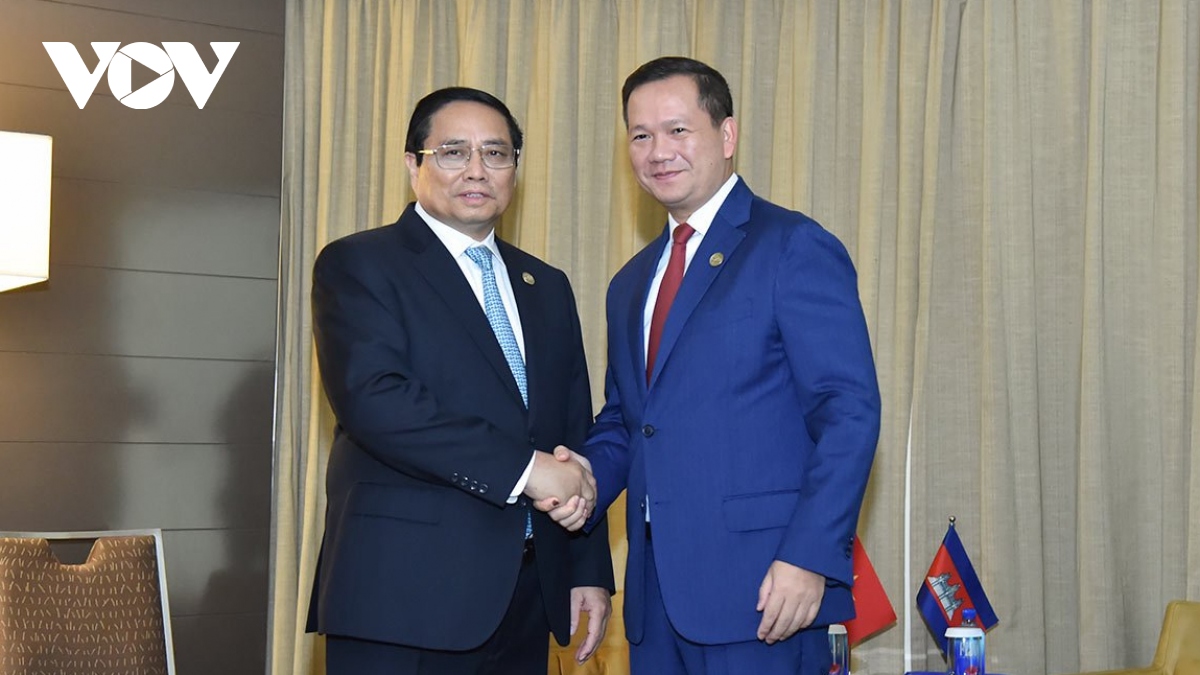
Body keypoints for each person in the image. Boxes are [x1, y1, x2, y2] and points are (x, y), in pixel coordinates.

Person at [558, 56, 881, 674]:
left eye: (678, 130)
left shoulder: (791, 245)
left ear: (727, 135)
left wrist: (809, 556)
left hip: (766, 595)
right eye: (641, 135)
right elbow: (631, 420)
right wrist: (584, 479)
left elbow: (849, 412)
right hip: (655, 605)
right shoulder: (630, 284)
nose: (659, 152)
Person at [306, 86, 613, 675]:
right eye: (453, 152)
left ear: (515, 168)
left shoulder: (546, 285)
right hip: (402, 599)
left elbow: (573, 429)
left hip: (527, 597)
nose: (477, 170)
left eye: (496, 153)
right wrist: (526, 470)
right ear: (413, 164)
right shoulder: (360, 263)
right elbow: (376, 401)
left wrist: (587, 569)